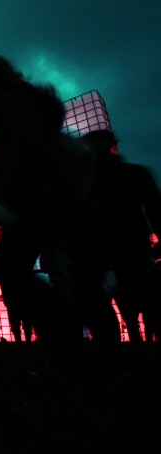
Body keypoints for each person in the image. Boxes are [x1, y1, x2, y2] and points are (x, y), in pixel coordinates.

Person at [0, 55, 89, 364]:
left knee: (9, 267)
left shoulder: (11, 101)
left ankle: (67, 336)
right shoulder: (13, 102)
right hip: (43, 196)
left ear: (1, 75)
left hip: (36, 198)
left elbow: (28, 145)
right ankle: (67, 337)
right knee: (13, 267)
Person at [76, 129, 161, 344]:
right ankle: (123, 346)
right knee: (126, 300)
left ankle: (122, 348)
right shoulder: (133, 175)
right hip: (109, 251)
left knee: (139, 298)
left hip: (124, 250)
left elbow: (156, 211)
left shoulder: (131, 176)